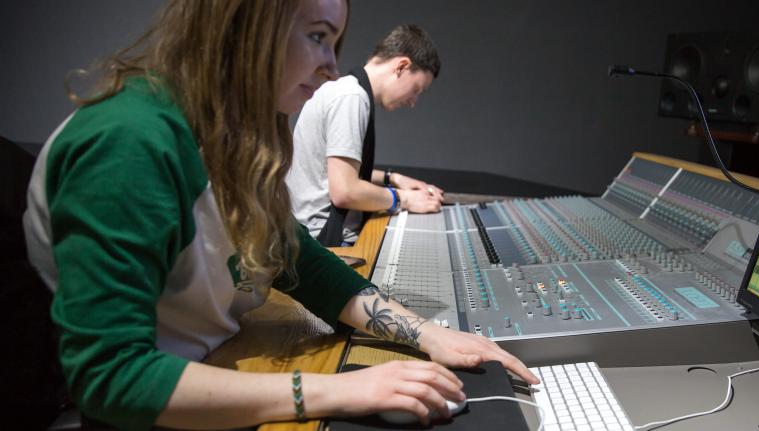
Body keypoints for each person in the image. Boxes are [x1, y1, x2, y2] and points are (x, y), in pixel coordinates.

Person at [23, 1, 537, 430]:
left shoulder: (234, 137)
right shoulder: (128, 141)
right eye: (318, 36)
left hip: (221, 366)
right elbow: (113, 377)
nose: (332, 67)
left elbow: (299, 261)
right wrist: (336, 391)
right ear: (245, 23)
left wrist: (427, 333)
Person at [287, 24, 445, 246]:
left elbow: (332, 171)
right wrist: (404, 199)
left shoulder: (346, 90)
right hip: (323, 244)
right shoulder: (352, 97)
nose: (412, 102)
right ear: (402, 66)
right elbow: (344, 190)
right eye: (416, 89)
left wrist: (393, 178)